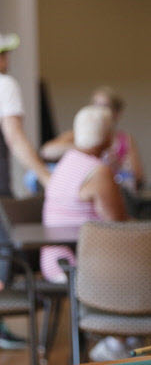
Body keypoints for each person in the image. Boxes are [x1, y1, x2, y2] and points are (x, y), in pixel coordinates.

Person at [0, 32, 51, 350]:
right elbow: (16, 139)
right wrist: (48, 178)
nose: (7, 61)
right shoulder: (4, 85)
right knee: (3, 257)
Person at [40, 105, 127, 282]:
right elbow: (118, 223)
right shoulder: (97, 171)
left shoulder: (64, 163)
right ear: (109, 137)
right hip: (80, 265)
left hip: (52, 262)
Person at [40, 86, 145, 190]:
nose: (99, 111)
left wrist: (119, 166)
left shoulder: (123, 140)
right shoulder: (76, 135)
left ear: (116, 113)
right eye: (95, 105)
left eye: (105, 106)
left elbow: (138, 177)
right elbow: (47, 151)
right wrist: (87, 149)